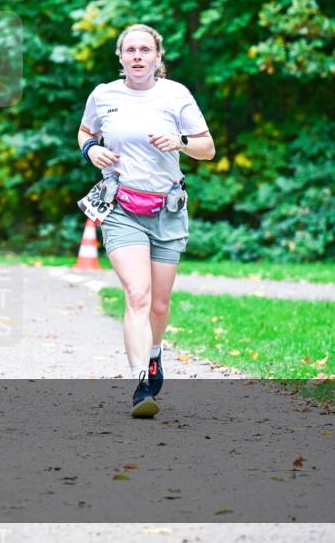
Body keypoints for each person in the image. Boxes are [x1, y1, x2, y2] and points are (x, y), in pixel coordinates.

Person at [77, 23, 215, 418]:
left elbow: (208, 148)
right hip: (121, 207)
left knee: (159, 302)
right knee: (136, 294)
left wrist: (181, 143)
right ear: (120, 58)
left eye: (145, 50)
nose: (138, 56)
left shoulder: (176, 95)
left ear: (158, 57)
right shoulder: (104, 95)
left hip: (167, 209)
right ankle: (140, 381)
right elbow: (86, 130)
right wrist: (90, 150)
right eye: (130, 50)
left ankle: (154, 354)